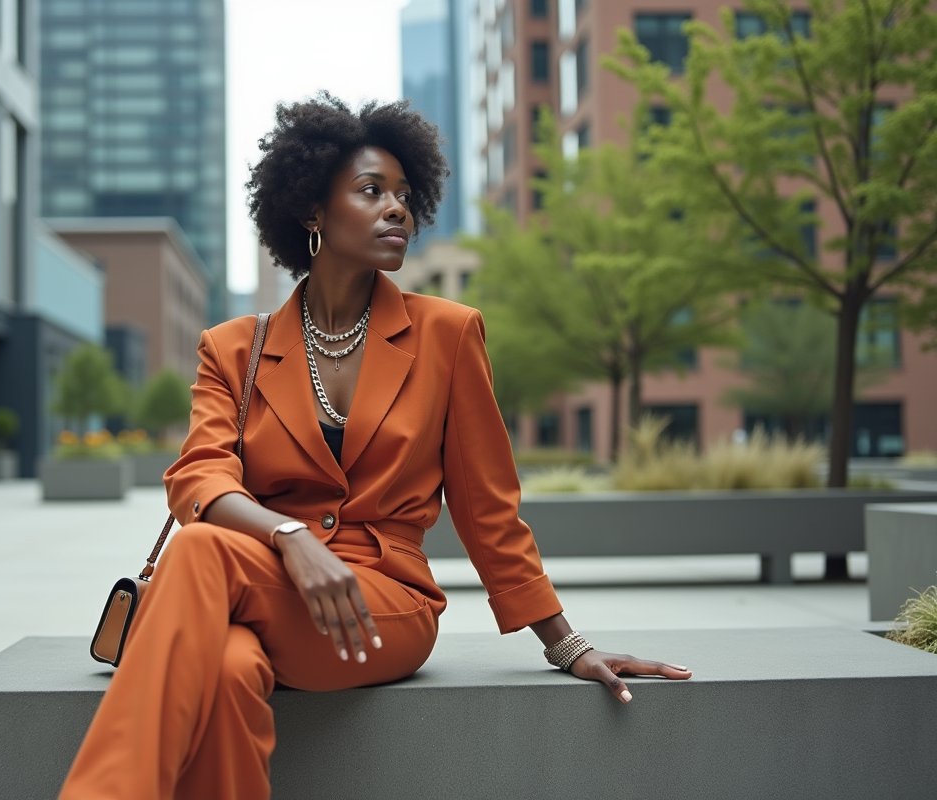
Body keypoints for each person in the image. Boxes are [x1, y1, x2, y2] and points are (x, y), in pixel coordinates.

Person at [59, 93, 691, 800]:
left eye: (404, 195)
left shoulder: (449, 335)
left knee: (202, 548)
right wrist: (290, 535)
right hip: (263, 584)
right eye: (371, 191)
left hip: (381, 604)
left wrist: (566, 643)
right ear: (312, 212)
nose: (398, 209)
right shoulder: (232, 348)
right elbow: (199, 475)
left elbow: (488, 508)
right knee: (231, 668)